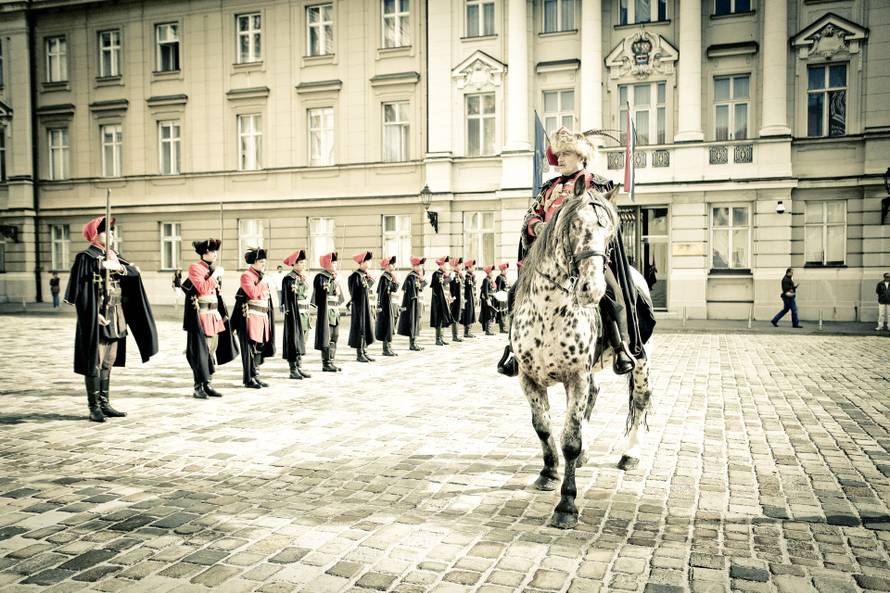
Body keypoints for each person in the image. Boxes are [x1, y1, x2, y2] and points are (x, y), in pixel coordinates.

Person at [502, 126, 652, 376]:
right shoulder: (548, 188)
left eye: (566, 153)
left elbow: (605, 218)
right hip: (548, 259)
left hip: (584, 256)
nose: (559, 159)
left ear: (581, 156)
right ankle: (515, 350)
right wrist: (536, 225)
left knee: (614, 294)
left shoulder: (597, 185)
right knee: (515, 293)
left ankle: (621, 347)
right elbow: (531, 214)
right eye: (558, 154)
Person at [64, 216, 158, 422]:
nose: (112, 235)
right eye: (107, 231)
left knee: (108, 361)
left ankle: (105, 403)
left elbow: (134, 273)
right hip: (97, 316)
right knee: (95, 362)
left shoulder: (114, 256)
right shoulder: (86, 257)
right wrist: (92, 314)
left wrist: (118, 268)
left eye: (113, 231)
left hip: (116, 315)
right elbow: (78, 293)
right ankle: (94, 406)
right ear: (95, 234)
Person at [182, 239, 237, 399]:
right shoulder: (195, 268)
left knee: (211, 350)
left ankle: (208, 383)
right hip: (203, 315)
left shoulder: (212, 268)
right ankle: (198, 386)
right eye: (213, 251)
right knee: (201, 352)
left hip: (214, 315)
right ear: (204, 252)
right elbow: (202, 288)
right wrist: (215, 275)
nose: (215, 254)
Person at [231, 247, 275, 388]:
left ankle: (256, 375)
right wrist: (263, 282)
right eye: (261, 261)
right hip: (251, 316)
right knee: (250, 348)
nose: (264, 264)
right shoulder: (246, 276)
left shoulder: (261, 275)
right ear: (254, 262)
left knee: (259, 348)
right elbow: (252, 293)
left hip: (262, 316)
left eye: (264, 261)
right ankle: (249, 378)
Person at [281, 249, 312, 380]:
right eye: (300, 262)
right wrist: (289, 312)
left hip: (304, 313)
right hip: (294, 314)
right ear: (294, 264)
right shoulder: (289, 279)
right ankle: (293, 369)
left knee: (302, 340)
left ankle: (299, 367)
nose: (303, 265)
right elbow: (286, 298)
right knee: (293, 341)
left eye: (304, 262)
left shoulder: (301, 278)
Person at [313, 252, 344, 372]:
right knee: (327, 336)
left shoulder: (335, 277)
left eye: (336, 263)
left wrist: (338, 290)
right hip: (326, 310)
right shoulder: (320, 277)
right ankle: (326, 363)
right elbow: (320, 293)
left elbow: (339, 296)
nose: (335, 265)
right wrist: (332, 286)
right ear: (327, 264)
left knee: (335, 336)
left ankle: (332, 360)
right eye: (333, 262)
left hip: (335, 310)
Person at [348, 251, 376, 363]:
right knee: (360, 328)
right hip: (359, 306)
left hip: (366, 305)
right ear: (362, 262)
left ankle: (365, 352)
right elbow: (355, 293)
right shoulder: (355, 276)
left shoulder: (365, 275)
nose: (370, 263)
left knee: (366, 328)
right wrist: (367, 285)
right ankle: (359, 354)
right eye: (368, 261)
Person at [397, 256, 426, 351]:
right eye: (419, 265)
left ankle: (414, 342)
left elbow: (419, 288)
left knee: (415, 322)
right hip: (411, 304)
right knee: (412, 323)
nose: (421, 267)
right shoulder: (411, 277)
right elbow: (411, 291)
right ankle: (412, 344)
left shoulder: (416, 276)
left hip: (416, 303)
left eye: (421, 265)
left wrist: (423, 281)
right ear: (414, 266)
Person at [375, 255, 400, 356]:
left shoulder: (389, 277)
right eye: (391, 264)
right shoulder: (384, 278)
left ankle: (389, 347)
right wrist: (380, 306)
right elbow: (381, 293)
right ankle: (385, 349)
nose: (393, 265)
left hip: (389, 305)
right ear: (386, 265)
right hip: (384, 306)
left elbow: (394, 289)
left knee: (390, 327)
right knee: (386, 326)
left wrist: (395, 280)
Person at [430, 256, 454, 346]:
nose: (447, 265)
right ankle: (438, 339)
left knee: (443, 319)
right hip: (438, 301)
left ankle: (442, 338)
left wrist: (450, 297)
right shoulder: (437, 274)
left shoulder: (445, 274)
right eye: (445, 264)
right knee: (438, 319)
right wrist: (449, 278)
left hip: (445, 300)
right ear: (441, 265)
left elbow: (447, 287)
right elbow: (440, 283)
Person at [479, 265, 498, 336]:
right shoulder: (486, 280)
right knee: (488, 315)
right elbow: (485, 291)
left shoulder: (490, 280)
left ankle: (489, 329)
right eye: (491, 271)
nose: (492, 273)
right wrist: (487, 300)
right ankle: (488, 330)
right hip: (488, 300)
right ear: (488, 272)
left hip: (491, 299)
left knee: (491, 314)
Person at [449, 257, 464, 343]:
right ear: (454, 266)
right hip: (454, 300)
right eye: (458, 265)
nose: (460, 266)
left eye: (460, 265)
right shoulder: (453, 275)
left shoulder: (459, 275)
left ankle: (456, 335)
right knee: (455, 316)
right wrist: (452, 297)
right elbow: (452, 288)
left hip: (459, 299)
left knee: (458, 316)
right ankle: (455, 336)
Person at [461, 259, 478, 338]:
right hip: (467, 298)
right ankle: (467, 332)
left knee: (470, 314)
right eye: (472, 267)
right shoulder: (467, 277)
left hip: (470, 298)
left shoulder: (470, 277)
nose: (473, 268)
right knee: (468, 314)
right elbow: (467, 287)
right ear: (468, 268)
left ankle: (469, 331)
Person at [495, 263, 510, 333]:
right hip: (501, 297)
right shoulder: (499, 278)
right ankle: (502, 328)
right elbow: (498, 289)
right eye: (506, 269)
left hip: (505, 296)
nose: (507, 271)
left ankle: (504, 327)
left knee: (505, 312)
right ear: (503, 270)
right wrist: (498, 298)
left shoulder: (504, 277)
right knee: (502, 312)